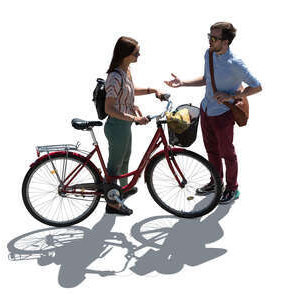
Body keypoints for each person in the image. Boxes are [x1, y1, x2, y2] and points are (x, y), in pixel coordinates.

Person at [165, 22, 262, 204]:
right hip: (206, 110)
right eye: (209, 36)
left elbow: (257, 86)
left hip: (223, 114)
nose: (210, 40)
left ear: (225, 42)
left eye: (214, 38)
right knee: (211, 150)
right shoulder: (208, 54)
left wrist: (231, 95)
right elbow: (206, 78)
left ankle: (232, 189)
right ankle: (216, 181)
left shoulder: (235, 64)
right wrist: (183, 82)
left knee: (227, 153)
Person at [104, 36, 164, 215]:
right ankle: (112, 203)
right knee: (114, 166)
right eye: (136, 52)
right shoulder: (115, 76)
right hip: (117, 126)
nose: (140, 54)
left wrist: (152, 90)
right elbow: (109, 108)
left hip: (124, 125)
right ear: (125, 55)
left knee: (124, 160)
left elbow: (129, 91)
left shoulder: (126, 72)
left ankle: (123, 190)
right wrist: (135, 118)